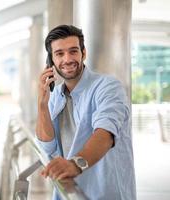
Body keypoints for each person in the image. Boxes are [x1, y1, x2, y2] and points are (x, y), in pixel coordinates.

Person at [35, 25, 136, 200]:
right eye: (59, 54)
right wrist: (42, 105)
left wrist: (75, 164)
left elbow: (105, 132)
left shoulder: (108, 87)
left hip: (105, 193)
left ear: (84, 53)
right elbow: (47, 147)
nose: (67, 59)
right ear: (51, 61)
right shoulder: (55, 96)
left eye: (73, 51)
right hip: (68, 192)